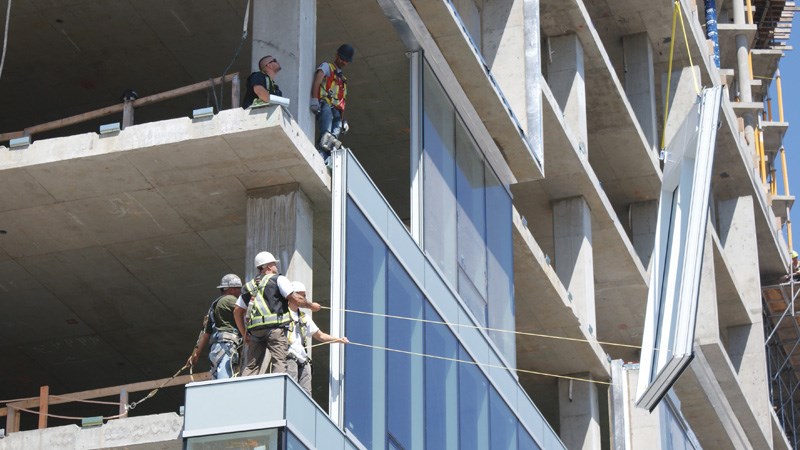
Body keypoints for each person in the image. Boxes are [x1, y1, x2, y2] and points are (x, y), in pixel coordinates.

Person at [234, 251, 321, 376]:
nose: (276, 266)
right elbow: (295, 298)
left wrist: (244, 334)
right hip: (274, 329)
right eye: (274, 264)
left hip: (255, 332)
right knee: (279, 361)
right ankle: (279, 389)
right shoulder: (278, 279)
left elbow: (237, 311)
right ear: (268, 266)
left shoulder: (248, 286)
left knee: (252, 365)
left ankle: (246, 391)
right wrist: (311, 306)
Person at [286, 281, 348, 395]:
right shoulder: (281, 313)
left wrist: (338, 340)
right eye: (301, 295)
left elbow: (320, 335)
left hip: (303, 360)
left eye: (305, 296)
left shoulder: (304, 317)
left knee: (306, 395)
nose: (304, 298)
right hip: (289, 356)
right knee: (290, 389)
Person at [188, 274, 244, 379]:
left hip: (216, 349)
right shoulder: (229, 299)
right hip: (226, 346)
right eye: (238, 288)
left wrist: (196, 354)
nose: (240, 291)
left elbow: (205, 334)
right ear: (231, 289)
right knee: (226, 379)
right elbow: (245, 310)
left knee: (219, 377)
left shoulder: (214, 306)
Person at [310, 44, 355, 165]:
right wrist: (314, 99)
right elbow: (317, 81)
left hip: (337, 112)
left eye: (345, 60)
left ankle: (326, 158)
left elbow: (342, 101)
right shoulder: (327, 67)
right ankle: (320, 156)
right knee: (326, 133)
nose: (343, 62)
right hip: (325, 105)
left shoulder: (343, 80)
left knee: (333, 139)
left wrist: (343, 120)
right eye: (342, 58)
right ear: (336, 55)